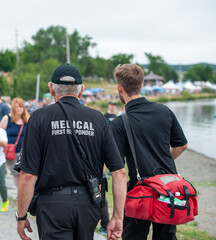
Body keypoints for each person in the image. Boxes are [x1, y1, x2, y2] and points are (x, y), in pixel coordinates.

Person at [15, 63, 127, 240]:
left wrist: (21, 216)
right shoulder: (98, 118)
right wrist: (117, 217)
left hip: (53, 205)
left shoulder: (39, 118)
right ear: (81, 91)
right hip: (88, 203)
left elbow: (27, 175)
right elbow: (119, 172)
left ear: (51, 89)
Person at [111, 64, 188, 240]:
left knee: (133, 236)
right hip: (168, 189)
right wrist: (164, 160)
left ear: (119, 88)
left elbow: (118, 167)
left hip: (139, 191)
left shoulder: (120, 123)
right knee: (166, 237)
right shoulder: (164, 111)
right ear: (142, 84)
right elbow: (182, 145)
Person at [0, 98, 29, 187]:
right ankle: (19, 193)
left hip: (25, 152)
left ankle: (24, 193)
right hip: (11, 153)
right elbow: (1, 133)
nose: (18, 108)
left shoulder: (28, 119)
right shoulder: (7, 118)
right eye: (16, 107)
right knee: (16, 174)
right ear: (13, 108)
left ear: (23, 108)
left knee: (25, 175)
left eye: (20, 106)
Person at [0, 127, 9, 212]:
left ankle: (5, 201)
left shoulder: (1, 131)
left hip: (0, 161)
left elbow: (5, 144)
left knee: (1, 184)